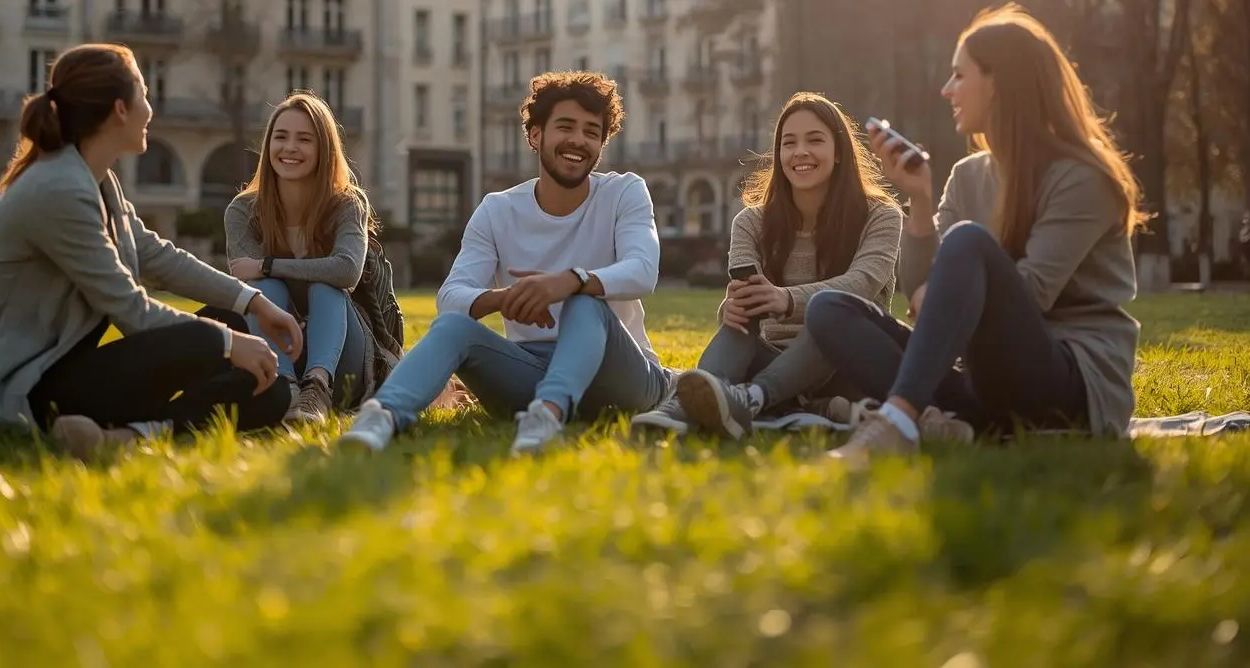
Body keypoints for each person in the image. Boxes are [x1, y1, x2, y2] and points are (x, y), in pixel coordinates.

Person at [804, 4, 1145, 460]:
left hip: (1070, 383)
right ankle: (954, 424)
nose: (947, 90)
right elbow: (917, 291)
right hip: (986, 378)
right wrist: (920, 200)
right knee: (829, 309)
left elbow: (1034, 293)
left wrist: (947, 293)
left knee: (967, 240)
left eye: (959, 76)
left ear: (1000, 82)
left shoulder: (1082, 177)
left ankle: (899, 422)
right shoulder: (967, 176)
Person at [0, 44, 303, 459]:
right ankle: (152, 427)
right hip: (10, 391)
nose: (150, 110)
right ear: (119, 109)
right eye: (144, 95)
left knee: (267, 388)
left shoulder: (96, 180)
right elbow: (132, 311)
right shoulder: (58, 189)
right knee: (217, 340)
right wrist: (225, 343)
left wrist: (253, 303)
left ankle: (137, 435)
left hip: (59, 372)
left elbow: (156, 255)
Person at [341, 70, 669, 456]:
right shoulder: (498, 209)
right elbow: (451, 298)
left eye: (591, 132)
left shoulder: (624, 192)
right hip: (531, 370)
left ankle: (545, 419)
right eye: (566, 126)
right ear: (535, 135)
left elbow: (643, 271)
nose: (578, 140)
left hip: (620, 373)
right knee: (453, 326)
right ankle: (382, 417)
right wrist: (506, 298)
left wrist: (570, 281)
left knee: (584, 303)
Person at [633, 93, 903, 439]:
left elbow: (862, 284)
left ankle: (753, 400)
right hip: (772, 359)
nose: (800, 152)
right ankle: (686, 407)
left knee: (831, 316)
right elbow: (748, 302)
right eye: (789, 143)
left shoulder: (881, 216)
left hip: (846, 363)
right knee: (742, 316)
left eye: (815, 140)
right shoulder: (751, 222)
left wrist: (786, 299)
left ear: (840, 153)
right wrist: (731, 308)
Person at [224, 92, 374, 424]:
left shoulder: (347, 204)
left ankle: (316, 390)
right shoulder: (243, 211)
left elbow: (347, 271)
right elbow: (242, 279)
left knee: (325, 285)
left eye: (304, 139)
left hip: (341, 356)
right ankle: (286, 391)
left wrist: (267, 264)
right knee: (265, 290)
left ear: (324, 150)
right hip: (272, 351)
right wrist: (267, 273)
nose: (290, 147)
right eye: (281, 137)